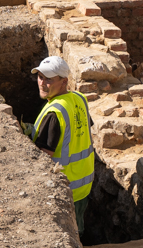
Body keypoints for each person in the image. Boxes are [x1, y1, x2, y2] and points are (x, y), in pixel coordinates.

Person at [26, 56, 94, 233]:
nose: (42, 83)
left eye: (48, 79)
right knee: (78, 230)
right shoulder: (79, 99)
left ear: (64, 81)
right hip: (84, 186)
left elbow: (43, 157)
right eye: (40, 77)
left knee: (70, 236)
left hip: (66, 189)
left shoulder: (54, 112)